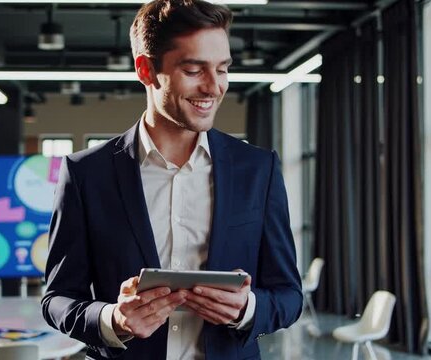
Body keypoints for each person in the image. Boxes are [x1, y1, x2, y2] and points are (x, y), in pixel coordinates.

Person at [41, 0, 303, 359]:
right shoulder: (86, 174)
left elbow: (289, 295)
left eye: (222, 69)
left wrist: (247, 309)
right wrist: (112, 318)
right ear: (146, 70)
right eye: (195, 70)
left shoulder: (258, 170)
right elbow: (57, 298)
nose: (214, 87)